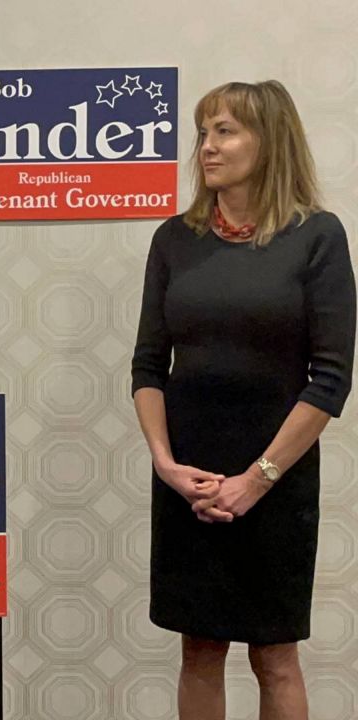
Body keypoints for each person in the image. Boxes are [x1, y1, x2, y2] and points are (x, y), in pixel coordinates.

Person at [131, 80, 355, 720]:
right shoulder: (174, 239)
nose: (207, 146)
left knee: (275, 656)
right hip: (188, 480)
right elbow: (148, 367)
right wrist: (167, 466)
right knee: (198, 649)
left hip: (275, 476)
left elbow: (330, 379)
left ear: (269, 139)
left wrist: (257, 480)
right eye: (203, 132)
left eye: (224, 130)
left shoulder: (316, 237)